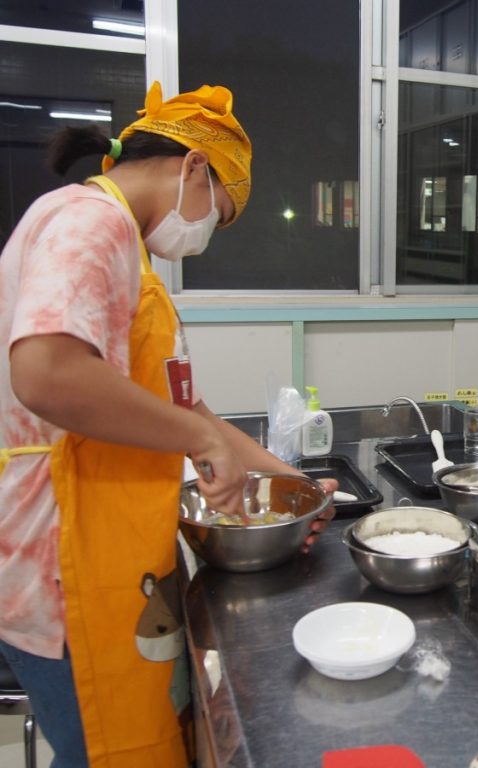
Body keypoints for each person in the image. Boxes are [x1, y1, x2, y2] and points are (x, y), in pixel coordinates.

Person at [0, 81, 337, 767]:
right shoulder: (88, 223)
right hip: (61, 557)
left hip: (112, 543)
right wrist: (201, 442)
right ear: (193, 166)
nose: (208, 233)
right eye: (221, 212)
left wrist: (295, 485)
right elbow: (46, 372)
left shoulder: (129, 250)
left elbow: (184, 409)